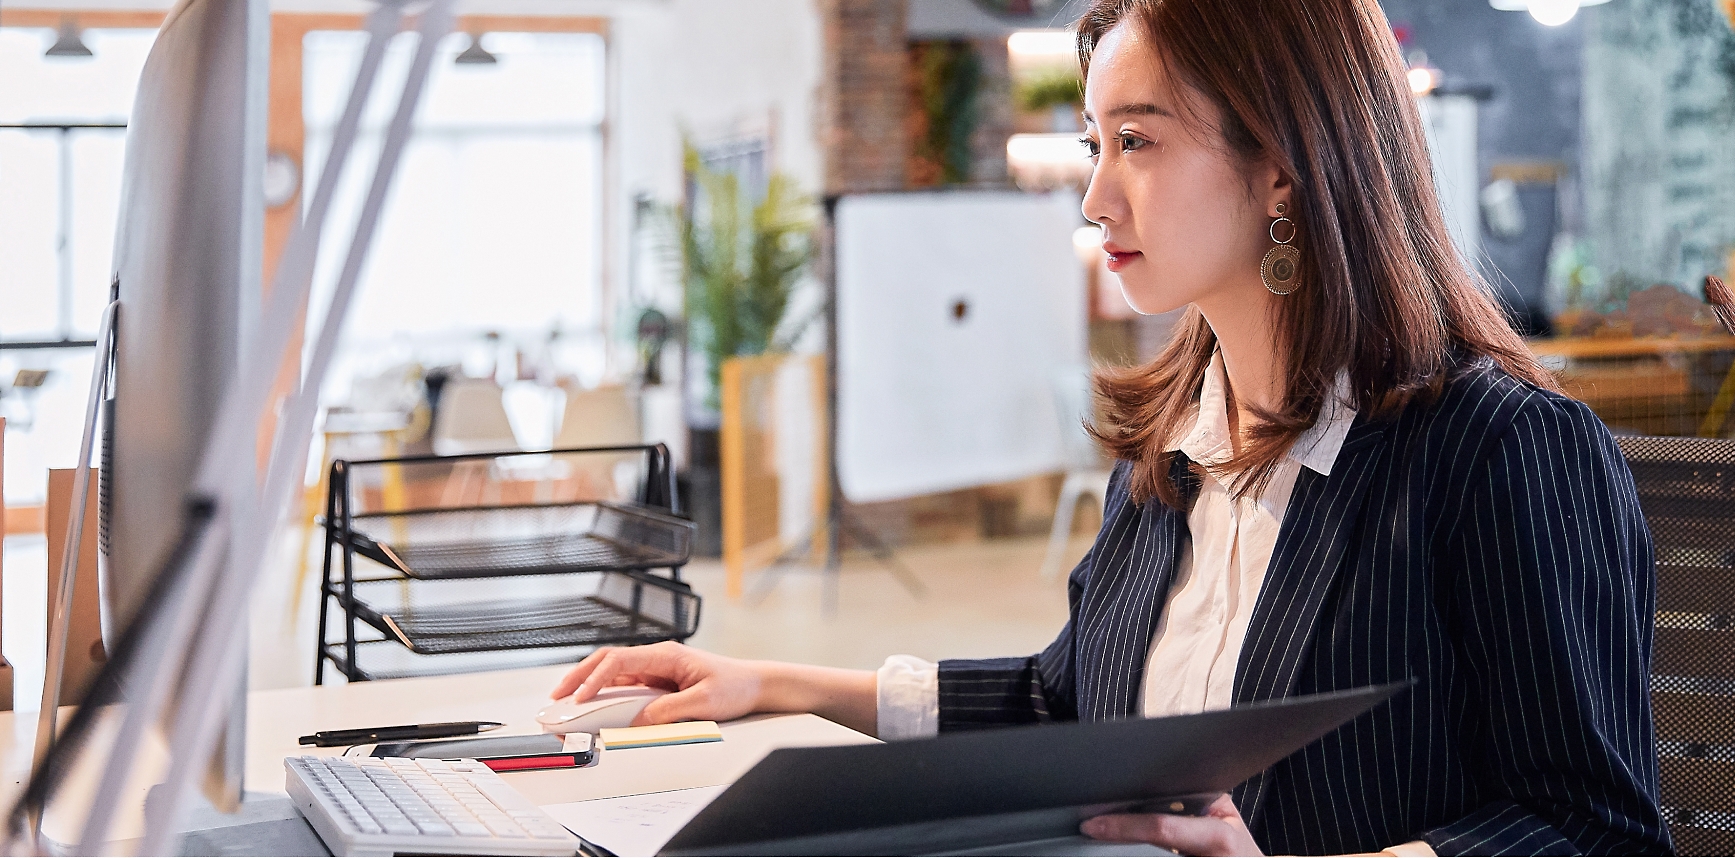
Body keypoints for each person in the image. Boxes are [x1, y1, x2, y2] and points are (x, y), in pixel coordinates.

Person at [552, 0, 1672, 854]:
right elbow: (1068, 699)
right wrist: (776, 685)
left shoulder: (1503, 454)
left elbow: (1590, 830)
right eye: (1094, 146)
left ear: (1281, 164)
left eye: (1135, 142)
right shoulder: (1175, 451)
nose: (1094, 199)